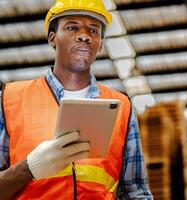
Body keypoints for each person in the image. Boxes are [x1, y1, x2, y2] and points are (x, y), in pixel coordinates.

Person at [0, 0, 153, 199]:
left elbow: (136, 192)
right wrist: (27, 169)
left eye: (94, 30)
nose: (84, 36)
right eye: (72, 27)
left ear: (100, 46)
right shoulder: (11, 99)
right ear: (52, 38)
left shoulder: (121, 107)